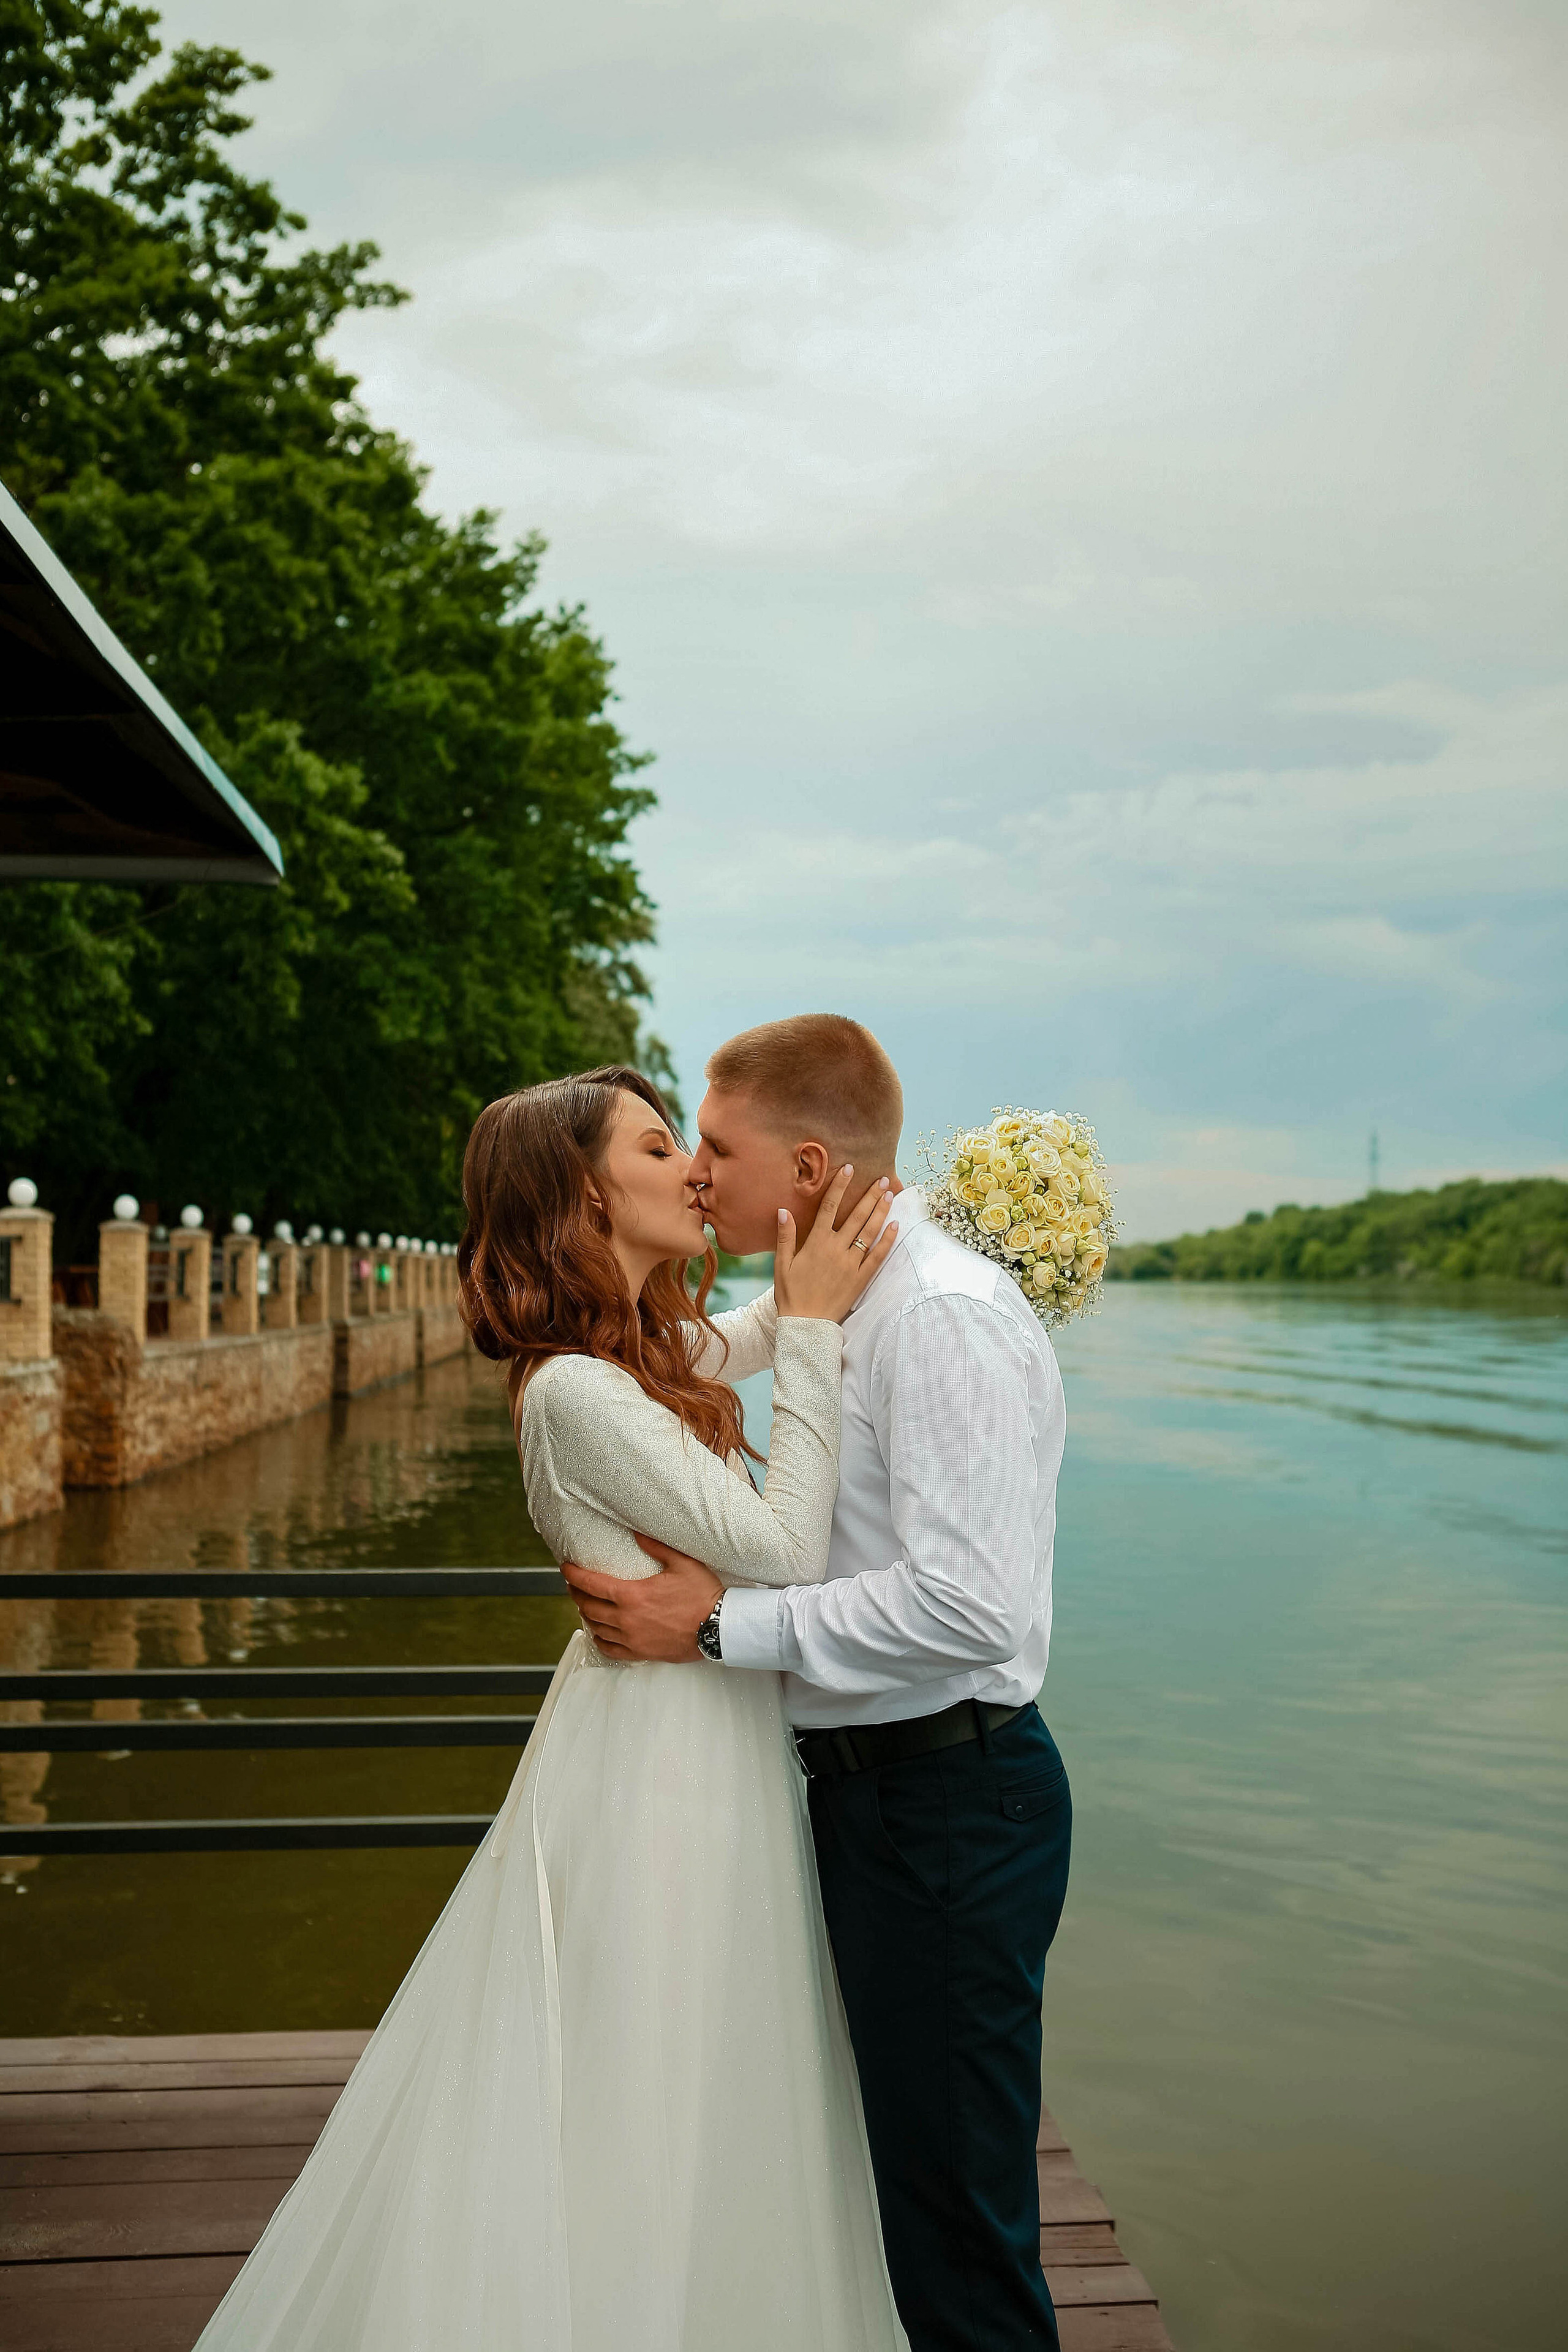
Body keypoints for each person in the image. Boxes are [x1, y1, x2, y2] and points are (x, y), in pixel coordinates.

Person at [193, 1063, 908, 2352]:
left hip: (693, 1729)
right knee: (647, 2064)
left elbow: (749, 1332)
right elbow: (787, 1544)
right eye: (658, 1147)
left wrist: (836, 1254)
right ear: (584, 1192)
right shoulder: (576, 1389)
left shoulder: (631, 1352)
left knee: (696, 2063)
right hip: (659, 1765)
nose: (693, 1170)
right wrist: (806, 1333)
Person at [564, 1016, 1072, 2352]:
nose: (696, 1179)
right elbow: (692, 1361)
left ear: (800, 1166)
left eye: (712, 1150)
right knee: (895, 2191)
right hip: (877, 1800)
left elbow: (969, 1606)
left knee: (957, 2226)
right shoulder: (829, 1295)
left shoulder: (941, 1321)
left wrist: (720, 1627)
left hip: (949, 1805)